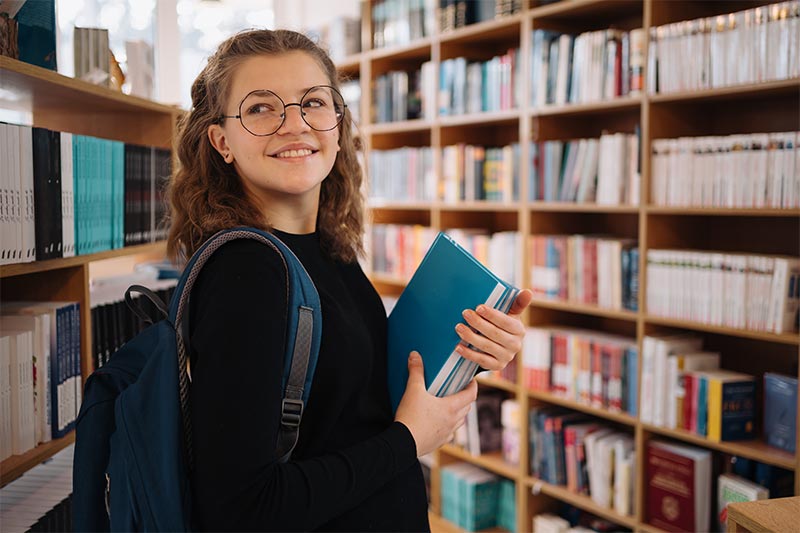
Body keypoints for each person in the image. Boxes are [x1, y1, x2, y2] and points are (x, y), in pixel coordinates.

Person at [165, 28, 533, 532]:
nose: (295, 124)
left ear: (337, 126)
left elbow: (351, 404)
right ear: (221, 141)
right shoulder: (246, 273)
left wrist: (471, 349)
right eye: (261, 108)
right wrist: (409, 440)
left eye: (313, 102)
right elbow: (241, 509)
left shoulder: (328, 247)